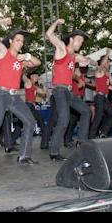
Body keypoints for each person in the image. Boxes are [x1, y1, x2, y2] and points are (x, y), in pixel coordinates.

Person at [0, 18, 41, 168]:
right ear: (11, 41)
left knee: (30, 121)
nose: (20, 43)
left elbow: (38, 62)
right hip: (2, 95)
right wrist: (1, 21)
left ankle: (24, 156)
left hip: (15, 97)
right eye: (18, 40)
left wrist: (26, 56)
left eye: (22, 41)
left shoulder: (21, 60)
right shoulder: (2, 52)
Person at [45, 19, 97, 161]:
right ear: (71, 39)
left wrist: (91, 61)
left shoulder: (74, 56)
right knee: (64, 119)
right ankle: (54, 152)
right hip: (60, 90)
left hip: (68, 92)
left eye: (82, 41)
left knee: (86, 111)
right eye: (79, 40)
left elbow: (87, 60)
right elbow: (49, 34)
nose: (80, 43)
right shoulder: (62, 49)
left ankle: (81, 142)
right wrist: (56, 22)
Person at [89, 51, 112, 139]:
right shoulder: (99, 71)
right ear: (104, 62)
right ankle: (91, 137)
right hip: (99, 97)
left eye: (109, 62)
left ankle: (103, 132)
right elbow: (102, 65)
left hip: (104, 98)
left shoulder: (107, 73)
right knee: (98, 117)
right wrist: (107, 54)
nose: (109, 63)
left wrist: (110, 85)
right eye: (108, 62)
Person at [24, 71, 50, 150]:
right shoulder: (28, 83)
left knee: (40, 122)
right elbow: (24, 77)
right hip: (28, 105)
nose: (37, 77)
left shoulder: (35, 86)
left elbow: (44, 93)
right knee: (29, 124)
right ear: (31, 76)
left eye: (37, 76)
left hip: (32, 106)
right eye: (35, 75)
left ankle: (44, 143)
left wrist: (42, 83)